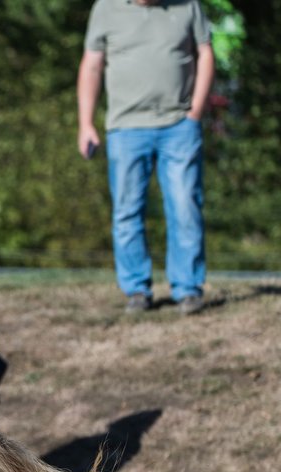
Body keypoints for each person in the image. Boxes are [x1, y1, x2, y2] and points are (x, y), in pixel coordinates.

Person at [77, 0, 214, 316]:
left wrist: (196, 110)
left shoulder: (188, 5)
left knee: (185, 205)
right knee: (127, 211)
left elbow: (205, 52)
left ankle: (188, 288)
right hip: (125, 128)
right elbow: (92, 65)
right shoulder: (106, 9)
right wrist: (85, 123)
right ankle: (137, 289)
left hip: (180, 124)